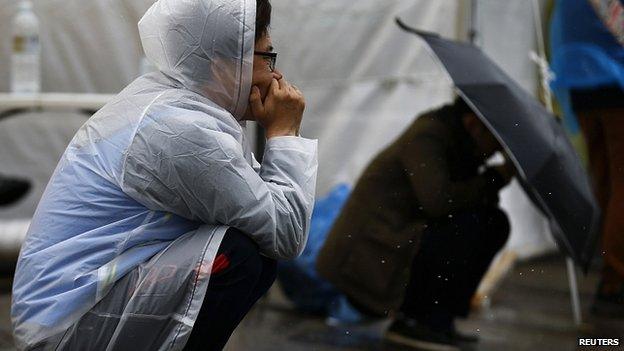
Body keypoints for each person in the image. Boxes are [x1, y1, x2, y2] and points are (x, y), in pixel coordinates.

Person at [11, 0, 318, 350]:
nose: (277, 76)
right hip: (63, 327)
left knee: (254, 250)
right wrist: (285, 134)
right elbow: (287, 230)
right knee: (238, 253)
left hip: (68, 308)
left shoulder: (170, 103)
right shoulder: (181, 131)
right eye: (268, 58)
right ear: (224, 66)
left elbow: (266, 212)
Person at [316, 99, 514, 350]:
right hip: (372, 249)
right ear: (473, 124)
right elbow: (438, 202)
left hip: (399, 238)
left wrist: (488, 180)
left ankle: (439, 321)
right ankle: (416, 321)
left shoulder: (459, 142)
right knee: (469, 226)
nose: (496, 151)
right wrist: (493, 178)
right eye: (495, 141)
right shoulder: (429, 135)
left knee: (490, 222)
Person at [550, 0, 624, 317]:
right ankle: (616, 280)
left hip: (581, 88)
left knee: (606, 184)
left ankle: (610, 278)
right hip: (615, 83)